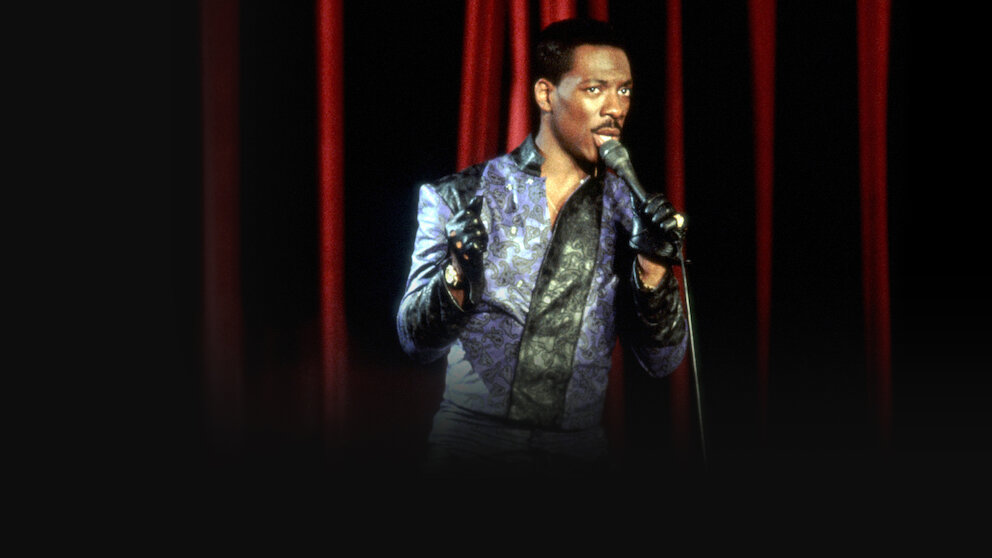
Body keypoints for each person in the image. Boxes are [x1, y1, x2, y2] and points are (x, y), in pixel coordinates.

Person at [396, 18, 687, 479]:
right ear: (545, 94)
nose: (615, 107)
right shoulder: (460, 196)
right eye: (595, 89)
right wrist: (457, 274)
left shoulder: (627, 214)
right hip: (469, 447)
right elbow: (415, 341)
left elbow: (663, 361)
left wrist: (653, 268)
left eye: (625, 91)